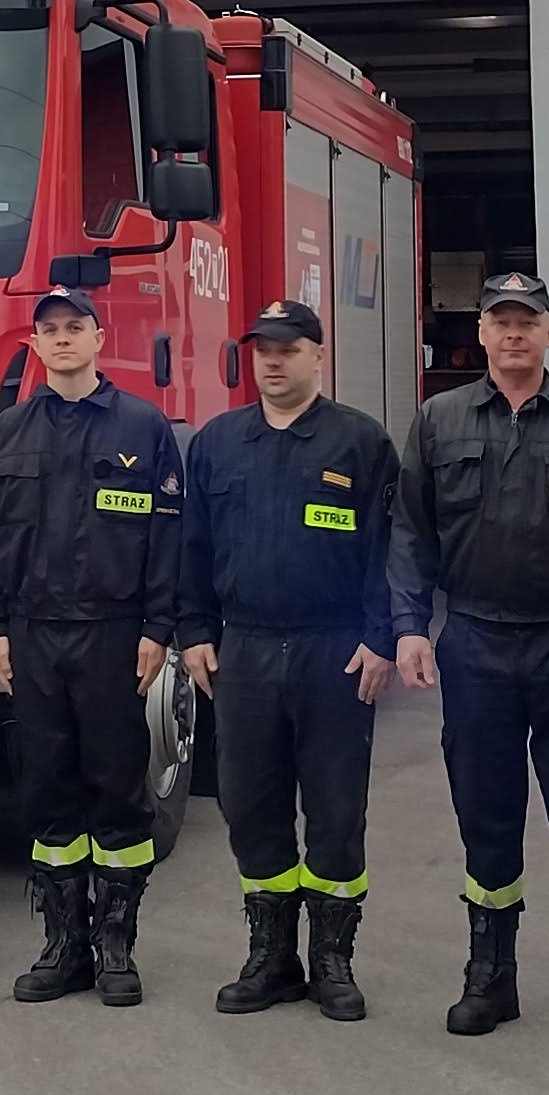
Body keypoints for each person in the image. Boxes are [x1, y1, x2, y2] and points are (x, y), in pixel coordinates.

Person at [392, 271, 549, 1045]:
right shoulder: (439, 422)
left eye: (527, 321)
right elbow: (409, 533)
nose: (513, 333)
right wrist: (409, 627)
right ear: (481, 333)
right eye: (500, 321)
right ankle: (490, 979)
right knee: (486, 813)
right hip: (474, 639)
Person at [180, 299, 399, 1022]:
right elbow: (192, 547)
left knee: (335, 809)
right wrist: (194, 630)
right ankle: (271, 958)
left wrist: (381, 637)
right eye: (262, 349)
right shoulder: (217, 443)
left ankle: (332, 961)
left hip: (332, 650)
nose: (272, 361)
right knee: (250, 806)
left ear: (318, 357)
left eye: (288, 348)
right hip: (242, 648)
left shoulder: (359, 441)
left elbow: (388, 549)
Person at [0, 286, 183, 1008]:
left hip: (112, 632)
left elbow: (166, 535)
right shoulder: (7, 431)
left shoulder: (143, 426)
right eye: (50, 329)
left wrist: (157, 628)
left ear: (98, 338)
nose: (62, 339)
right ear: (35, 344)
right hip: (32, 633)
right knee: (47, 789)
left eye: (75, 327)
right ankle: (64, 945)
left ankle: (116, 946)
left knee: (118, 790)